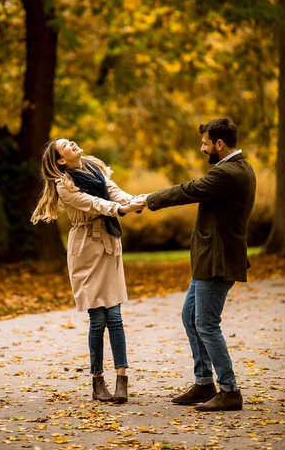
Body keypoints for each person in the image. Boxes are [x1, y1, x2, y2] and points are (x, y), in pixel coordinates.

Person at [144, 118, 256, 411]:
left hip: (217, 261)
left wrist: (147, 199)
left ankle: (229, 390)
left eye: (205, 143)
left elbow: (187, 190)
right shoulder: (234, 168)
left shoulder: (228, 173)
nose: (202, 148)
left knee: (206, 324)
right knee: (190, 316)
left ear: (219, 144)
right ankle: (204, 382)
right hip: (210, 258)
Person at [31, 138, 144, 403]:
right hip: (86, 249)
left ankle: (121, 380)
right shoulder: (65, 185)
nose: (71, 143)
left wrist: (133, 200)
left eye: (70, 140)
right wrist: (121, 209)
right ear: (60, 161)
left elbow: (112, 191)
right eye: (64, 146)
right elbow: (94, 203)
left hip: (109, 242)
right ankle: (97, 382)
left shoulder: (95, 167)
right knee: (98, 319)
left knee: (115, 317)